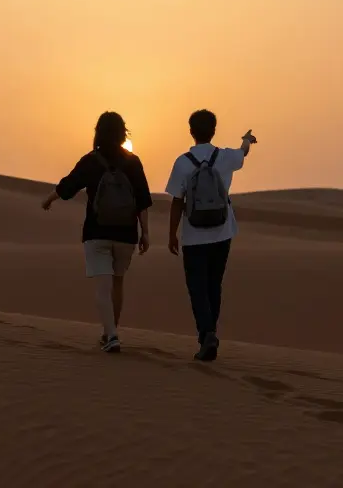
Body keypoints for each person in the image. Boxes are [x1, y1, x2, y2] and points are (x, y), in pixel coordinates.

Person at [42, 112, 153, 353]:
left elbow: (69, 185)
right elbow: (143, 200)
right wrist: (145, 232)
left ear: (98, 132)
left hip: (97, 232)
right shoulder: (133, 162)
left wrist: (49, 199)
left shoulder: (91, 160)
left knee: (103, 286)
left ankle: (110, 334)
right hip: (126, 234)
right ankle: (111, 332)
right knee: (118, 282)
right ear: (123, 133)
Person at [165, 109, 257, 361]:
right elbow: (244, 152)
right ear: (213, 130)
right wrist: (247, 139)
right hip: (222, 231)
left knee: (197, 287)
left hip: (194, 236)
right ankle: (210, 333)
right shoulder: (226, 157)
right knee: (214, 284)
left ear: (191, 131)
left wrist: (172, 234)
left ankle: (206, 334)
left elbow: (176, 201)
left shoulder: (183, 162)